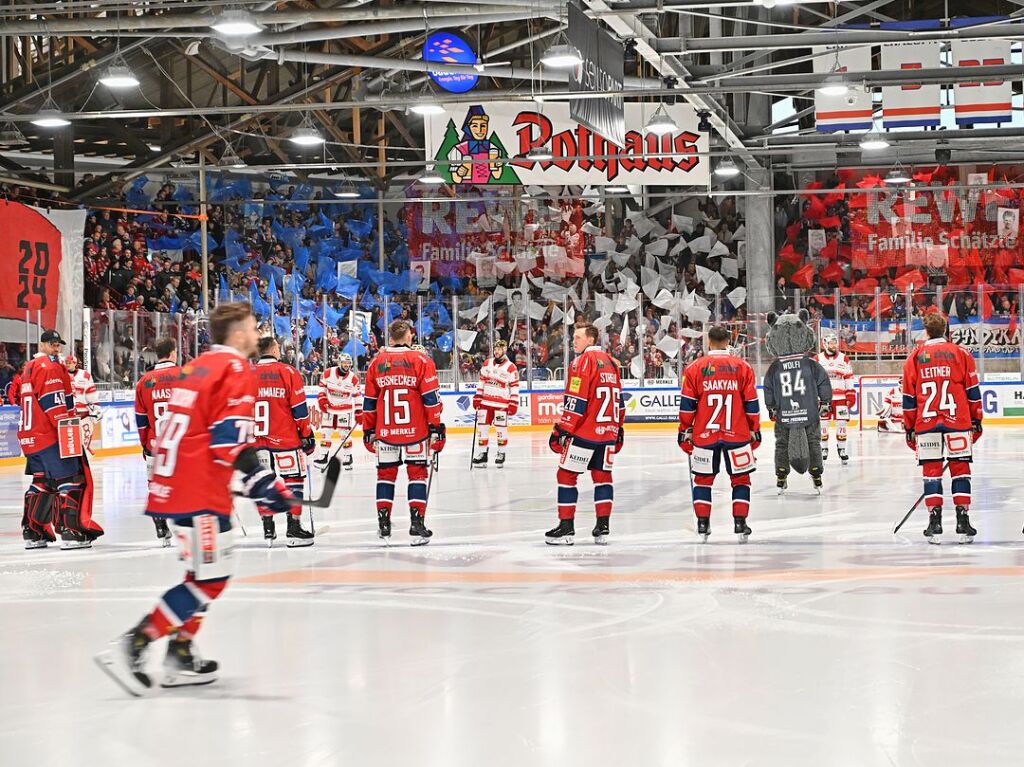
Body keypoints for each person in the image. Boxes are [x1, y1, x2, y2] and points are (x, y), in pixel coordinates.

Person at [94, 302, 297, 696]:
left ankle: (181, 654)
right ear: (237, 334)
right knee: (212, 579)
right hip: (197, 491)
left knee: (201, 576)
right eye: (254, 328)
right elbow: (228, 438)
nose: (257, 336)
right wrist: (263, 484)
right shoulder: (235, 368)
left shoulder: (197, 366)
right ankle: (137, 641)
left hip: (176, 484)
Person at [362, 320, 445, 545]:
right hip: (416, 431)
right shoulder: (421, 360)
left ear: (390, 337)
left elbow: (369, 402)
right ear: (409, 336)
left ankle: (384, 524)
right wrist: (436, 427)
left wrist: (368, 429)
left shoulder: (376, 362)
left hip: (386, 431)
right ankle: (416, 523)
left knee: (385, 475)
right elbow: (431, 400)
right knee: (417, 473)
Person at [902, 312, 983, 543]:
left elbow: (908, 397)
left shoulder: (915, 357)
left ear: (926, 332)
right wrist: (976, 420)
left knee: (931, 473)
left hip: (926, 425)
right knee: (961, 470)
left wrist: (909, 428)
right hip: (958, 422)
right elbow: (973, 393)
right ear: (947, 330)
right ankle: (962, 520)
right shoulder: (961, 354)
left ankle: (934, 522)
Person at [19, 330, 103, 550]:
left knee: (42, 482)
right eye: (52, 345)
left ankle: (33, 531)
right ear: (42, 345)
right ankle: (70, 531)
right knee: (71, 479)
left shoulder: (29, 367)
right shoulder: (50, 367)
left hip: (30, 437)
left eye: (58, 345)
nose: (57, 349)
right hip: (49, 436)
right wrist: (68, 432)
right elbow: (54, 404)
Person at [678, 325, 761, 543]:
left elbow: (687, 405)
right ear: (728, 341)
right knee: (741, 479)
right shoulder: (742, 367)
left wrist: (684, 430)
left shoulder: (695, 367)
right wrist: (755, 429)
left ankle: (703, 524)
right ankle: (740, 522)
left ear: (708, 342)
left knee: (703, 480)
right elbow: (751, 403)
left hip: (705, 434)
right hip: (738, 433)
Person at [546, 323, 624, 545]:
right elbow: (619, 399)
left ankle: (567, 528)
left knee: (566, 476)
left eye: (578, 337)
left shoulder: (582, 361)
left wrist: (562, 429)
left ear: (591, 339)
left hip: (585, 432)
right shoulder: (611, 362)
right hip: (608, 431)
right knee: (603, 477)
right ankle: (603, 526)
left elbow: (576, 399)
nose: (574, 341)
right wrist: (619, 428)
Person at [253, 336, 315, 547]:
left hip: (256, 441)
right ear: (274, 349)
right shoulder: (287, 372)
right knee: (294, 480)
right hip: (285, 439)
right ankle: (293, 527)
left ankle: (268, 529)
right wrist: (306, 434)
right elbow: (299, 411)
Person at [133, 337, 180, 546]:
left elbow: (141, 420)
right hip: (182, 444)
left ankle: (161, 527)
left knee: (156, 486)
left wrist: (145, 444)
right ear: (172, 353)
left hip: (155, 444)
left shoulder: (145, 382)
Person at [472, 339, 520, 468]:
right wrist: (477, 397)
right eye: (495, 349)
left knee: (501, 429)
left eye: (499, 349)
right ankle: (483, 453)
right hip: (485, 402)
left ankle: (501, 453)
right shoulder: (487, 363)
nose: (496, 351)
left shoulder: (511, 367)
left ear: (504, 350)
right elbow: (481, 382)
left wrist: (514, 403)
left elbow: (514, 387)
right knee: (482, 428)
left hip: (501, 404)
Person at [814, 333, 856, 463]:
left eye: (835, 342)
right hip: (824, 399)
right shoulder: (817, 359)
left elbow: (849, 377)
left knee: (841, 423)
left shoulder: (844, 358)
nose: (833, 345)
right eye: (830, 343)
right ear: (825, 344)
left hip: (841, 398)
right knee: (823, 424)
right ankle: (824, 449)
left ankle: (842, 449)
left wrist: (850, 394)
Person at [315, 352, 360, 471]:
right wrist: (322, 399)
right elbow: (322, 388)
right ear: (339, 362)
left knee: (344, 434)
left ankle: (347, 457)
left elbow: (357, 396)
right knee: (325, 432)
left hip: (345, 410)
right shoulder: (328, 373)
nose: (347, 366)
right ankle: (323, 456)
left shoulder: (353, 378)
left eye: (348, 363)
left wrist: (359, 411)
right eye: (344, 363)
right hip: (329, 408)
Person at [66, 354, 102, 451]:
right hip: (67, 417)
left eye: (70, 363)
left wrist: (96, 409)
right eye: (66, 363)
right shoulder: (60, 375)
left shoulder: (85, 375)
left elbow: (92, 395)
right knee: (69, 448)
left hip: (83, 416)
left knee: (84, 446)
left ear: (75, 363)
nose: (68, 365)